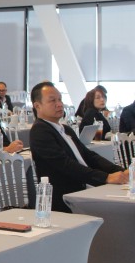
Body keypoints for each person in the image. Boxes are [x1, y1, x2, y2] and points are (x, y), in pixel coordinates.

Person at [29, 82, 126, 212]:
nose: (59, 104)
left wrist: (120, 171)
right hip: (67, 197)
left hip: (85, 188)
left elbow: (89, 156)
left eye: (60, 99)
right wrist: (105, 177)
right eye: (52, 101)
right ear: (37, 106)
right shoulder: (40, 131)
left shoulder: (65, 129)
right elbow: (65, 165)